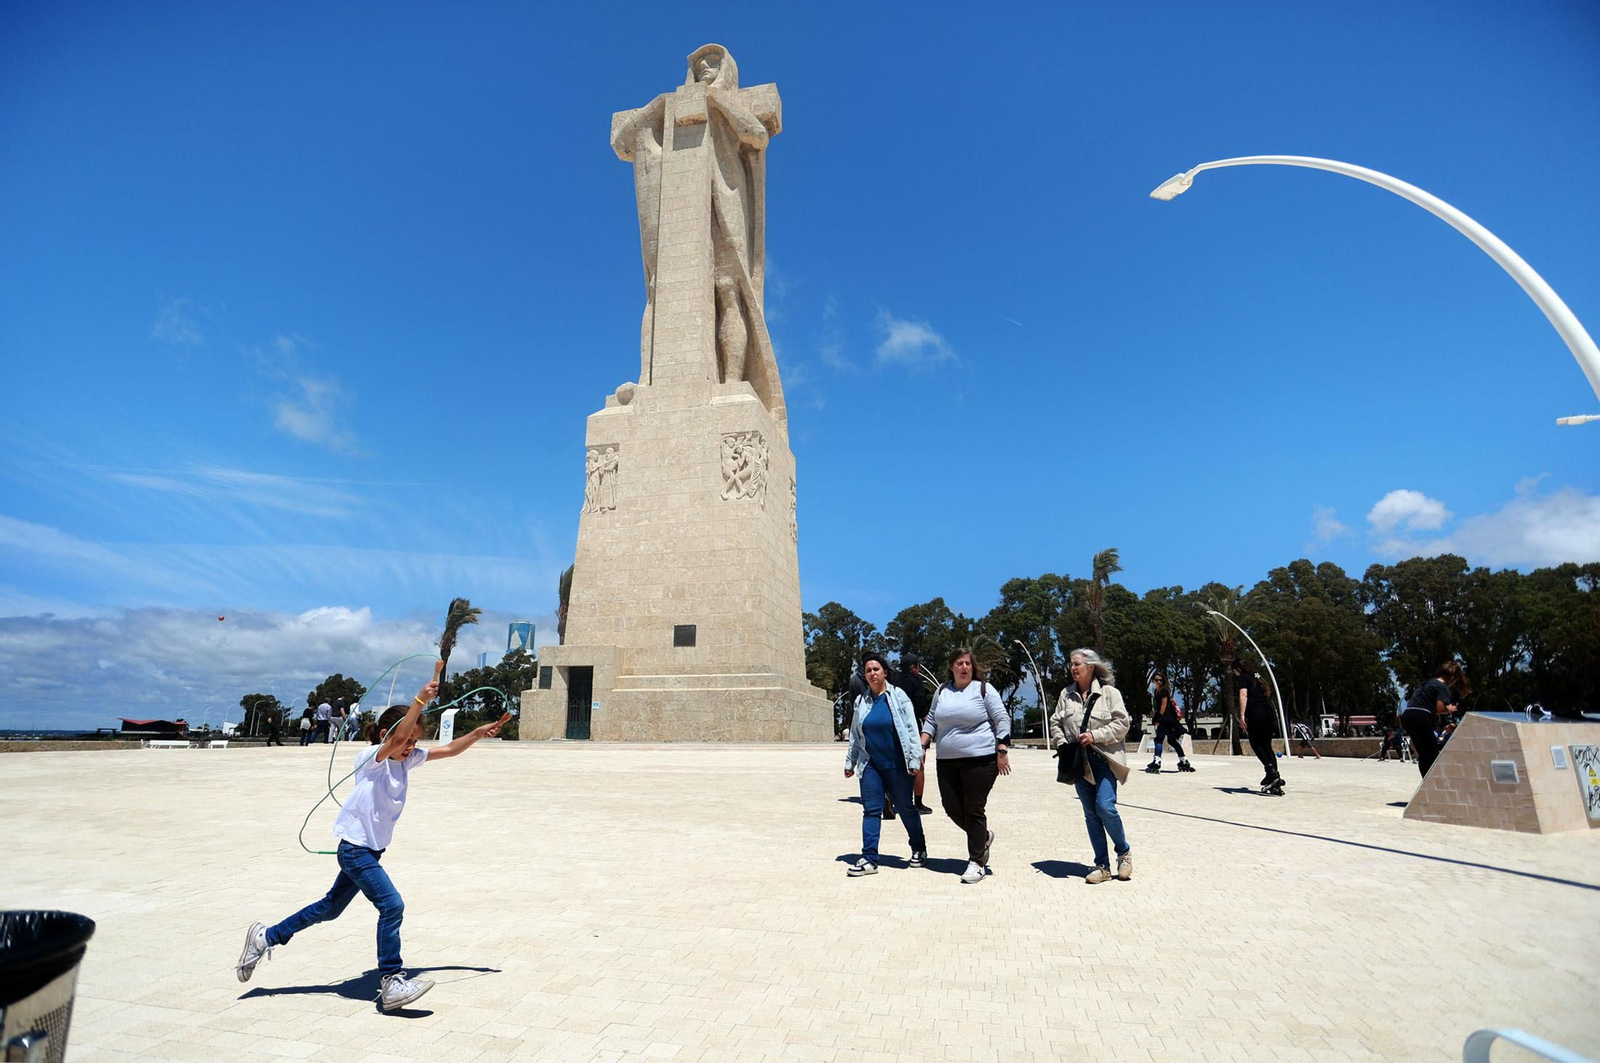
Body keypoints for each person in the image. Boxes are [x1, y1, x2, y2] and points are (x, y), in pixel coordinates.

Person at [235, 662, 506, 1010]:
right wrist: (418, 702)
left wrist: (479, 732)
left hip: (370, 852)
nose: (410, 746)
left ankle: (265, 936)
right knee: (392, 905)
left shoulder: (407, 761)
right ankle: (392, 981)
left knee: (329, 909)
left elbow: (450, 749)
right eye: (406, 740)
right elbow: (396, 738)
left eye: (414, 741)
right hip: (355, 850)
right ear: (384, 736)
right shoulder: (371, 759)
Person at [920, 647, 1010, 884]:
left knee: (973, 808)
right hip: (947, 761)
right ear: (951, 667)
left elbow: (1002, 719)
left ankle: (977, 862)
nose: (964, 667)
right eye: (959, 663)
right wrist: (922, 745)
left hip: (980, 759)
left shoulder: (983, 689)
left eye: (967, 663)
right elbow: (931, 720)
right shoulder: (942, 691)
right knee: (951, 807)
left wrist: (1002, 750)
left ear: (973, 666)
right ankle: (983, 836)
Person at [1050, 648, 1132, 884]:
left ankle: (1123, 852)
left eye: (1077, 664)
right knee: (1091, 815)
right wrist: (1062, 742)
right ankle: (1102, 866)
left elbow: (1122, 724)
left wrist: (1096, 735)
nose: (1073, 668)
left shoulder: (1109, 693)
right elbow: (1055, 721)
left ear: (1091, 666)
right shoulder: (1066, 694)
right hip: (1078, 764)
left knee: (1105, 807)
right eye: (1071, 664)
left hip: (1104, 760)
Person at [842, 653, 927, 877]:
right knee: (871, 810)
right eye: (868, 670)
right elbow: (855, 735)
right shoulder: (861, 701)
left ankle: (918, 847)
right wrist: (850, 762)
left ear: (885, 672)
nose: (872, 673)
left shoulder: (899, 697)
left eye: (876, 669)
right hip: (870, 764)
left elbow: (911, 729)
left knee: (905, 807)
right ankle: (869, 858)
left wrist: (914, 759)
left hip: (897, 764)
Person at [1400, 661, 1470, 778]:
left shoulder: (1426, 683)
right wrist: (1449, 709)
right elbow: (1439, 708)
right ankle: (1432, 779)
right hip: (1421, 716)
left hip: (1407, 715)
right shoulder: (1442, 687)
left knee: (1423, 753)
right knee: (1431, 751)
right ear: (1452, 678)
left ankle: (1425, 778)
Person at [1234, 660, 1284, 796]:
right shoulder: (1257, 676)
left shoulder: (1243, 677)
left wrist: (1242, 714)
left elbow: (1243, 695)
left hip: (1256, 713)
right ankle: (1275, 777)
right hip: (1268, 712)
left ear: (1238, 669)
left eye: (1235, 671)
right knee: (1267, 746)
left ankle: (1270, 772)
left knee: (1256, 743)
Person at [899, 654, 935, 814]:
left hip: (895, 727)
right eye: (918, 666)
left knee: (898, 764)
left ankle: (895, 799)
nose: (920, 669)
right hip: (913, 727)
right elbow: (920, 707)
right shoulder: (917, 683)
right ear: (912, 668)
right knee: (918, 764)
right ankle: (918, 803)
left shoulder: (893, 682)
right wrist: (929, 723)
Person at [1144, 672, 1194, 773]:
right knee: (1172, 740)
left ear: (1163, 681)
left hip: (1166, 719)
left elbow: (1163, 705)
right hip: (1169, 720)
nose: (1158, 682)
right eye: (1156, 680)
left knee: (1158, 740)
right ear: (1153, 680)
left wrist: (1158, 718)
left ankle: (1157, 761)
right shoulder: (1157, 691)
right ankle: (1183, 761)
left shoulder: (1163, 691)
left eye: (1160, 680)